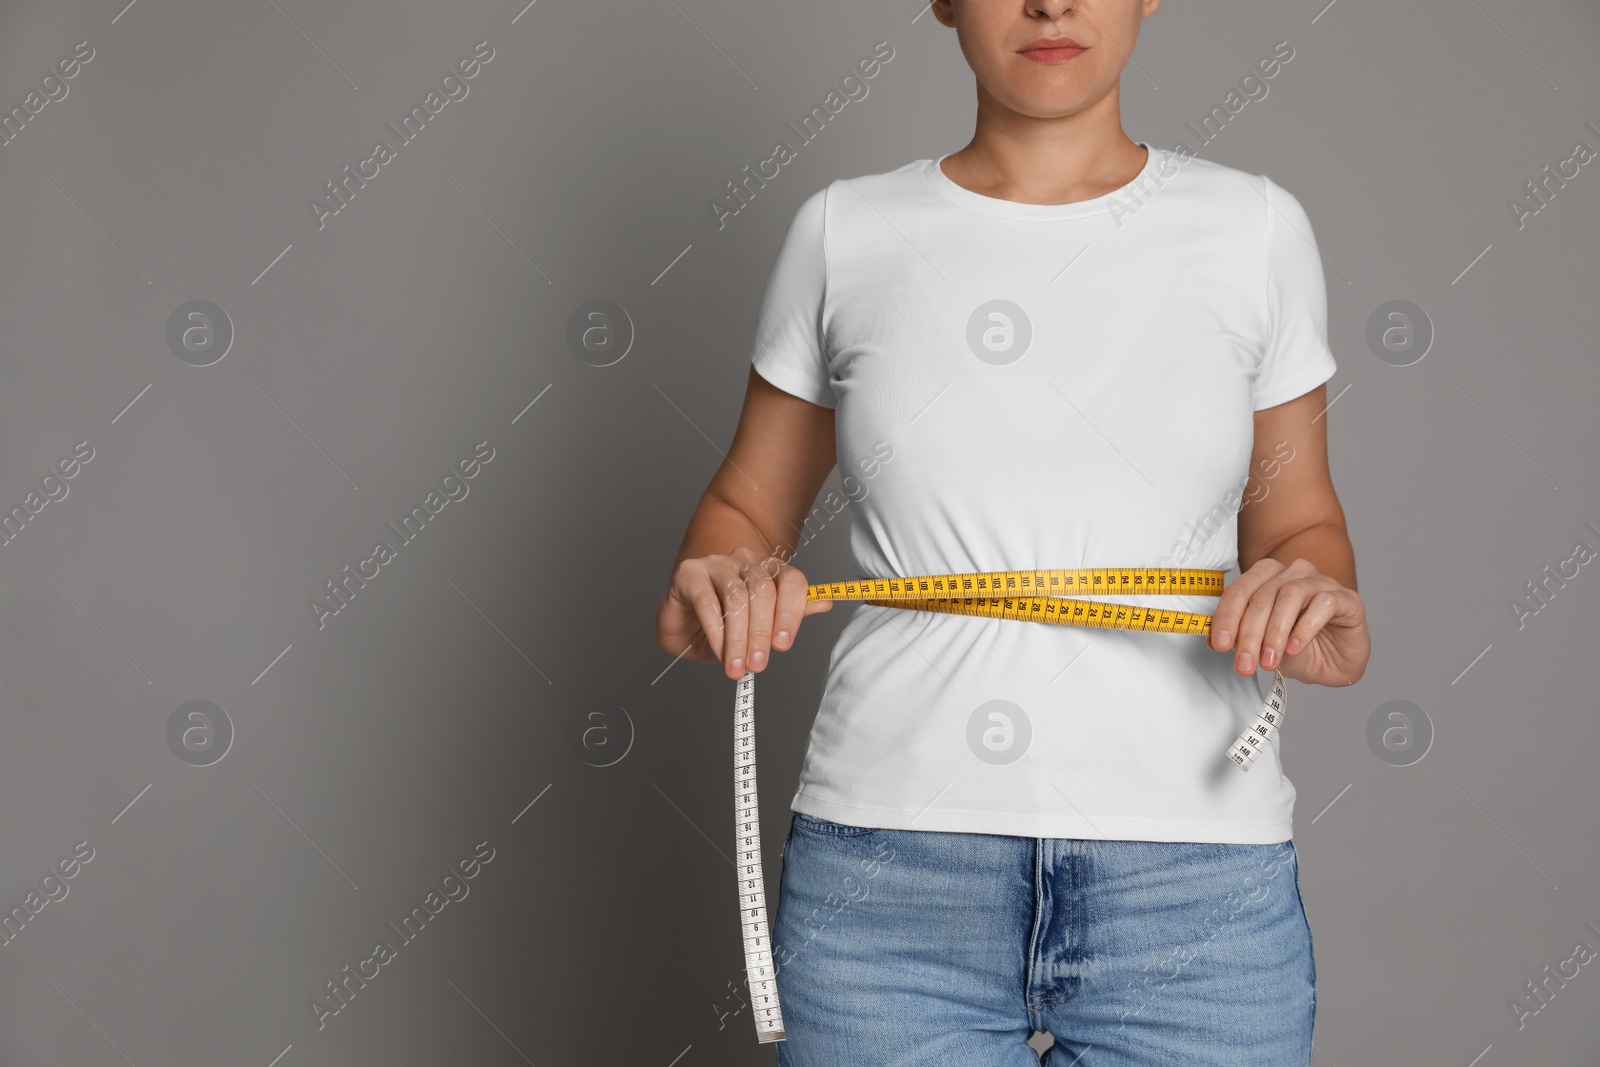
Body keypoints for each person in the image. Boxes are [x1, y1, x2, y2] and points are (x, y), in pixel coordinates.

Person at [655, 0, 1371, 1062]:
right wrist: (720, 581)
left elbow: (1300, 519)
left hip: (1194, 881)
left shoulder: (1255, 229)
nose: (1050, 3)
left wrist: (1306, 589)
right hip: (888, 880)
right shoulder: (844, 231)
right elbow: (746, 511)